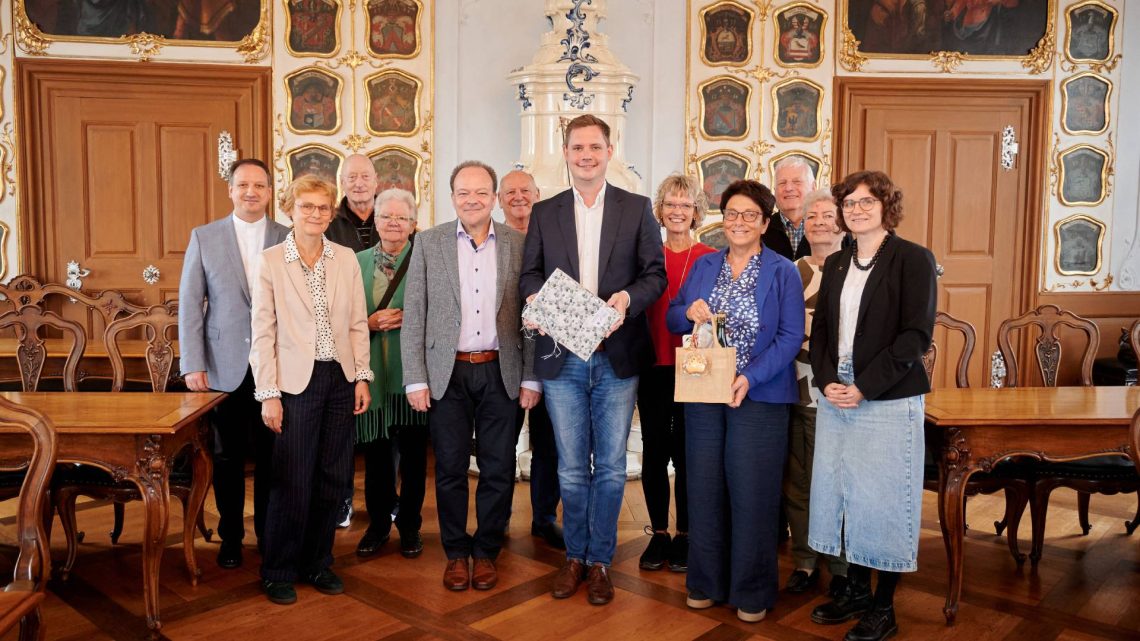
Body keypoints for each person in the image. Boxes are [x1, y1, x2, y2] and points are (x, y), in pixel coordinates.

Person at [520, 115, 667, 606]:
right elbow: (530, 275)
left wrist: (627, 298)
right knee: (568, 468)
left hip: (615, 356)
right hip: (563, 357)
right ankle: (575, 557)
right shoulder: (545, 212)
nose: (586, 155)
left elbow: (655, 275)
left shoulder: (637, 208)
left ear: (610, 150)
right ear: (566, 152)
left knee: (608, 466)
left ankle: (600, 561)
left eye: (595, 147)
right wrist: (539, 302)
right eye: (577, 147)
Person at [666, 179, 803, 623]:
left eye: (749, 215)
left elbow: (788, 338)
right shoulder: (705, 266)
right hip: (703, 393)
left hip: (759, 395)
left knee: (753, 494)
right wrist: (688, 311)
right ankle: (705, 582)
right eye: (731, 214)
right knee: (703, 488)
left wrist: (749, 377)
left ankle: (751, 590)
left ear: (765, 223)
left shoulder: (783, 270)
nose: (738, 222)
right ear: (720, 220)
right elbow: (673, 315)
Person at [808, 170, 937, 641]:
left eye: (866, 202)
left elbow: (915, 336)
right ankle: (857, 590)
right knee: (846, 495)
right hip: (836, 396)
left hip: (887, 399)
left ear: (886, 206)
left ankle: (885, 607)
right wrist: (826, 381)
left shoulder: (913, 259)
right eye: (849, 203)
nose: (856, 210)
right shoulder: (839, 262)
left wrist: (863, 386)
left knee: (884, 502)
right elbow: (821, 330)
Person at [402, 161, 540, 592]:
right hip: (448, 374)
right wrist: (415, 378)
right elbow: (415, 314)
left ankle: (486, 552)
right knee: (449, 469)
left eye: (481, 192)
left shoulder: (520, 244)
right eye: (464, 193)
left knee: (499, 469)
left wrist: (532, 378)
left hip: (503, 372)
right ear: (452, 196)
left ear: (495, 197)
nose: (472, 200)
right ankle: (456, 554)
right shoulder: (428, 242)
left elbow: (531, 316)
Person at [250, 175, 373, 605]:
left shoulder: (345, 259)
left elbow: (359, 323)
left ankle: (318, 562)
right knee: (292, 478)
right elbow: (262, 333)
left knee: (334, 477)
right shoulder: (269, 261)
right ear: (290, 209)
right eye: (307, 207)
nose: (316, 214)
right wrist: (268, 393)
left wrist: (362, 376)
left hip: (339, 379)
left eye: (323, 208)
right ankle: (279, 568)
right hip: (293, 384)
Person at [178, 158, 290, 570]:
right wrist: (193, 362)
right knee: (226, 457)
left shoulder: (287, 236)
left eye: (259, 185)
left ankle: (266, 533)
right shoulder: (205, 237)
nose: (251, 192)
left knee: (271, 456)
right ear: (230, 189)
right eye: (243, 184)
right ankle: (230, 536)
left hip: (275, 366)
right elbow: (190, 303)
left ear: (269, 192)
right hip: (223, 367)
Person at [637, 174, 716, 573]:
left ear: (697, 212)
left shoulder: (710, 256)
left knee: (688, 454)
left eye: (685, 205)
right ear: (660, 210)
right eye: (671, 204)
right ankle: (659, 535)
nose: (678, 211)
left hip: (697, 367)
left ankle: (686, 534)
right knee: (654, 453)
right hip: (653, 365)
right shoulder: (646, 253)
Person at [353, 188, 429, 560]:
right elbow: (342, 318)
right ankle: (378, 523)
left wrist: (410, 319)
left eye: (402, 217)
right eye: (386, 216)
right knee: (377, 455)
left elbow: (446, 313)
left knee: (415, 456)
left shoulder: (428, 260)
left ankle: (411, 526)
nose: (394, 223)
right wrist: (368, 322)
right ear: (375, 221)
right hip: (373, 377)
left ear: (414, 224)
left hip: (414, 376)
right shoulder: (356, 262)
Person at [782, 190, 850, 597]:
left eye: (828, 215)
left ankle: (841, 565)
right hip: (799, 390)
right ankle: (805, 560)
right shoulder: (792, 271)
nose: (821, 222)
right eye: (813, 216)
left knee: (839, 481)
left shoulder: (857, 269)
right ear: (803, 225)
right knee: (799, 480)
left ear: (841, 222)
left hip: (845, 396)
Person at [499, 169, 565, 550]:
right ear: (499, 199)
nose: (519, 196)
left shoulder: (555, 239)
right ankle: (500, 516)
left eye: (526, 190)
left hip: (549, 354)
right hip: (504, 355)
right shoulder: (490, 240)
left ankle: (544, 517)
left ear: (537, 195)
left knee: (549, 443)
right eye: (511, 191)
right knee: (501, 443)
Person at [764, 156, 816, 261]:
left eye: (797, 182)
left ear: (813, 188)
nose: (788, 188)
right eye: (782, 183)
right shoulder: (762, 230)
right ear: (774, 190)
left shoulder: (832, 229)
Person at [326, 154, 381, 253]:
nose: (359, 184)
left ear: (375, 180)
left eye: (365, 176)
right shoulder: (328, 222)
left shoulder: (395, 217)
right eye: (352, 177)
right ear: (342, 183)